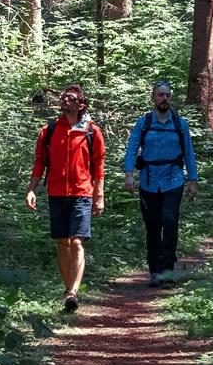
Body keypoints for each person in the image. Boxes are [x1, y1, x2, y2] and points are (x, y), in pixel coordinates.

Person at [27, 84, 107, 313]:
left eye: (71, 98)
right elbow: (39, 162)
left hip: (82, 192)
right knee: (63, 241)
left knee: (77, 241)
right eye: (63, 97)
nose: (65, 100)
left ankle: (73, 291)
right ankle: (68, 289)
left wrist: (98, 195)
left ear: (82, 104)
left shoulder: (92, 131)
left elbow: (98, 165)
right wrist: (31, 189)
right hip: (57, 193)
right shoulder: (49, 130)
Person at [121, 80, 199, 285]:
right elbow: (132, 148)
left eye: (167, 95)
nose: (164, 99)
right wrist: (129, 174)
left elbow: (189, 153)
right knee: (153, 225)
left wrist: (193, 180)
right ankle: (155, 271)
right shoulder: (144, 122)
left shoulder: (180, 124)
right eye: (160, 95)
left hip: (173, 180)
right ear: (153, 98)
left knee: (170, 221)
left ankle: (167, 270)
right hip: (148, 182)